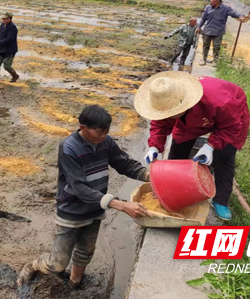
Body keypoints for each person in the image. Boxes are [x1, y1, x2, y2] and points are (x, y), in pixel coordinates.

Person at [17, 105, 151, 288]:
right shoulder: (69, 148)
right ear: (82, 127)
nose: (104, 134)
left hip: (96, 207)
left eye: (107, 130)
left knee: (86, 250)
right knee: (58, 262)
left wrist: (149, 175)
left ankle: (75, 281)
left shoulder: (107, 142)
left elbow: (124, 163)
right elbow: (79, 188)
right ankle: (33, 265)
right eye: (100, 131)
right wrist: (120, 205)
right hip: (72, 210)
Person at [134, 71, 250, 220]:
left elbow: (231, 126)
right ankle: (172, 189)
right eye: (165, 114)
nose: (167, 117)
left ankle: (221, 200)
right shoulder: (165, 101)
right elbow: (159, 124)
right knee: (178, 149)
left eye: (171, 113)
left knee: (225, 156)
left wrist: (210, 146)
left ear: (183, 104)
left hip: (227, 117)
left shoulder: (221, 102)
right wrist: (154, 146)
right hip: (192, 113)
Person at [196, 0, 245, 66]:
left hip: (218, 31)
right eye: (210, 0)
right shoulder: (208, 8)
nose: (211, 1)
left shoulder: (226, 9)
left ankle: (215, 60)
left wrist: (240, 16)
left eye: (212, 0)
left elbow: (234, 13)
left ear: (218, 0)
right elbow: (203, 18)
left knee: (216, 46)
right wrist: (199, 27)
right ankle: (203, 59)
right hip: (208, 30)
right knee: (205, 45)